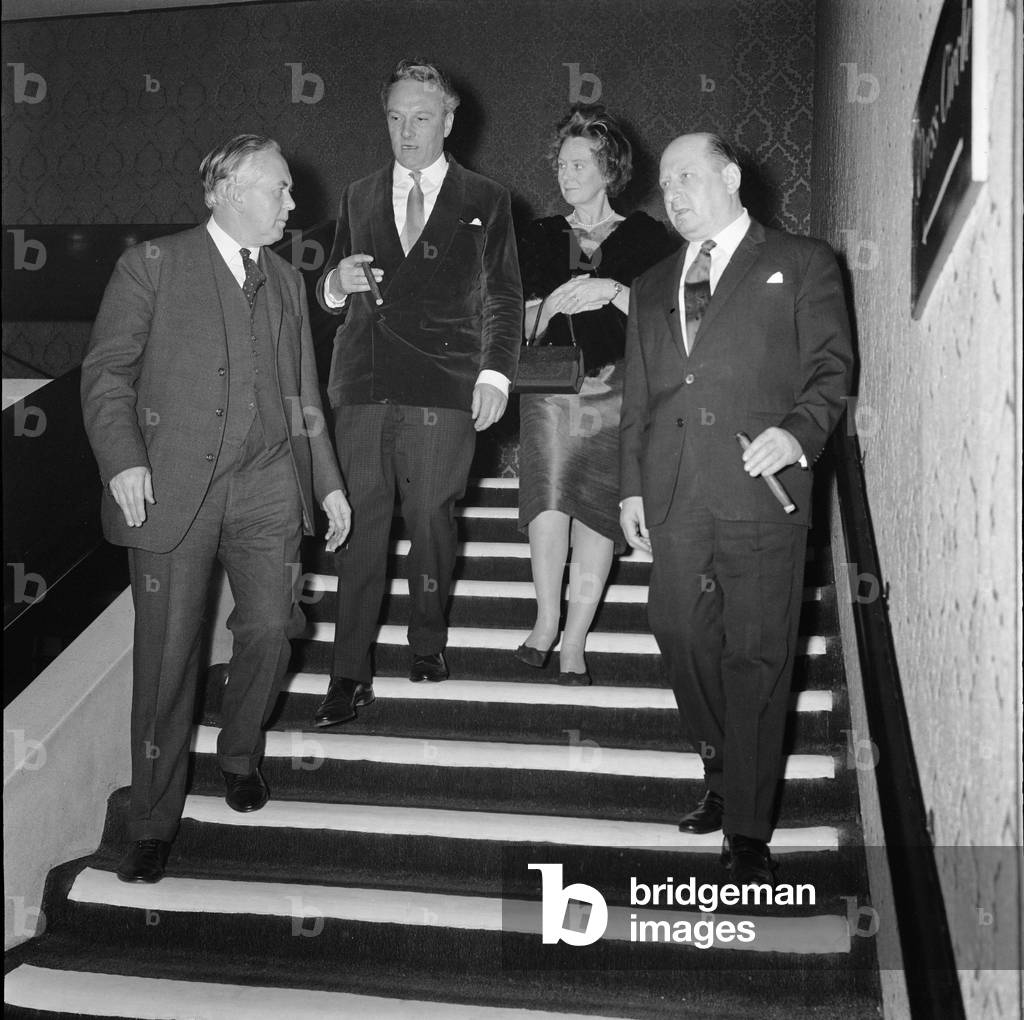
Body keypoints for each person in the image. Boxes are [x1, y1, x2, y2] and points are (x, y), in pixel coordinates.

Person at [81, 134, 350, 884]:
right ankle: (153, 820)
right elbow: (106, 375)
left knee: (271, 624)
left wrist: (325, 481)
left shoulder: (290, 282)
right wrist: (125, 459)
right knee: (168, 658)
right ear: (229, 189)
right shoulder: (153, 265)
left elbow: (304, 398)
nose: (293, 204)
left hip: (266, 482)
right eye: (281, 189)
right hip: (172, 488)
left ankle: (239, 753)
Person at [619, 133, 852, 884]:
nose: (675, 193)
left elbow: (830, 367)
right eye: (665, 183)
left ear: (730, 175)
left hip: (762, 488)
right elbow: (637, 402)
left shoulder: (802, 261)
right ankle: (724, 765)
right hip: (676, 490)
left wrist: (798, 432)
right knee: (677, 629)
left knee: (757, 652)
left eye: (689, 177)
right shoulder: (653, 284)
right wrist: (629, 486)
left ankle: (745, 820)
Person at [313, 59, 522, 727]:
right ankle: (348, 672)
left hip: (444, 380)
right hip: (366, 379)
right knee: (360, 524)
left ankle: (427, 639)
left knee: (431, 513)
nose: (407, 131)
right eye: (396, 118)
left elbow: (505, 296)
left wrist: (494, 374)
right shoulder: (358, 194)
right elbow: (331, 290)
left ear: (449, 121)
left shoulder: (486, 199)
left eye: (422, 118)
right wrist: (334, 284)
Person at [514, 105, 676, 684]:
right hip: (552, 386)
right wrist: (550, 306)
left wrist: (611, 289)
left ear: (608, 170)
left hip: (617, 386)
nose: (566, 172)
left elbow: (663, 320)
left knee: (600, 513)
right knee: (549, 499)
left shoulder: (647, 237)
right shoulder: (537, 233)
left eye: (579, 162)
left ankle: (576, 640)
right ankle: (546, 619)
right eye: (561, 163)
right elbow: (517, 323)